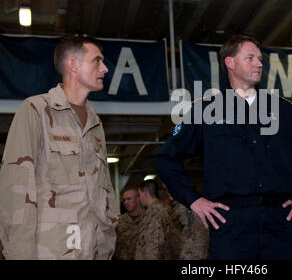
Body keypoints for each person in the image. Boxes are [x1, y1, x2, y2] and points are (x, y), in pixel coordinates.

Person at [154, 34, 292, 260]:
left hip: (279, 222)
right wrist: (194, 200)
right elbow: (165, 159)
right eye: (250, 57)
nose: (259, 63)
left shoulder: (282, 110)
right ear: (230, 63)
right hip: (230, 224)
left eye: (260, 58)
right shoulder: (206, 110)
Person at [0, 35, 120, 259]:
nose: (104, 68)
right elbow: (15, 190)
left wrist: (107, 242)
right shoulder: (36, 110)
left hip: (92, 249)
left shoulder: (95, 123)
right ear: (73, 65)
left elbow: (105, 190)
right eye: (97, 61)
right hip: (50, 250)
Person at [159, 182, 209, 260]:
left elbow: (200, 239)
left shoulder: (189, 205)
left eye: (171, 187)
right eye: (165, 189)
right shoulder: (173, 208)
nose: (168, 191)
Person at [134, 179, 171, 260]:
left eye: (139, 195)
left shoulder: (156, 212)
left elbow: (155, 244)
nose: (139, 199)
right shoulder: (150, 211)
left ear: (146, 194)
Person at [114, 186, 144, 260]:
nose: (125, 202)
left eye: (128, 199)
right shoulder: (119, 221)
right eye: (124, 200)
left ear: (137, 200)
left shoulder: (148, 218)